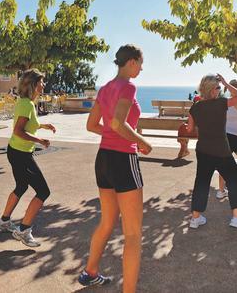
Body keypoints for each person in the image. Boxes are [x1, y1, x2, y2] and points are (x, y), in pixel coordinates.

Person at [80, 44, 154, 290]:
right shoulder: (128, 86)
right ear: (131, 62)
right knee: (133, 235)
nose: (142, 68)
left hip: (103, 159)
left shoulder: (105, 88)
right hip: (123, 160)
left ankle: (90, 271)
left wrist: (115, 134)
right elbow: (117, 123)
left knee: (107, 222)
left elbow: (93, 125)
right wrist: (141, 141)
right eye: (140, 63)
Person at [0, 69, 56, 248]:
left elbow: (30, 123)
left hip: (17, 151)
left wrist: (44, 125)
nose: (43, 85)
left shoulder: (27, 102)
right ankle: (23, 230)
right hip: (20, 153)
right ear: (32, 84)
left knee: (22, 186)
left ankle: (4, 221)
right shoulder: (26, 104)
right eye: (41, 82)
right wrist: (40, 140)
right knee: (43, 191)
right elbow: (18, 130)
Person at [186, 74, 237, 231]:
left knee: (201, 182)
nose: (220, 90)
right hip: (221, 151)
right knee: (235, 179)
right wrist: (226, 83)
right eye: (218, 87)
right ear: (212, 90)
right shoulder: (221, 104)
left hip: (203, 150)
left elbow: (189, 128)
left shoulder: (194, 108)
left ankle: (195, 218)